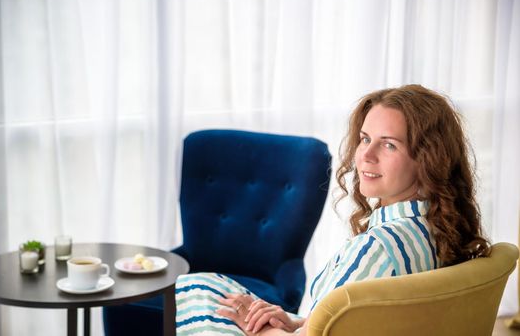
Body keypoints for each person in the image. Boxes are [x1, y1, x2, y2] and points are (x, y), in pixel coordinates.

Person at [175, 84, 490, 336]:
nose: (365, 155)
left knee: (194, 292)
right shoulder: (436, 229)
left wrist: (265, 331)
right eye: (365, 139)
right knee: (212, 286)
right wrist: (294, 321)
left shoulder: (377, 249)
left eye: (389, 144)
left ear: (428, 159)